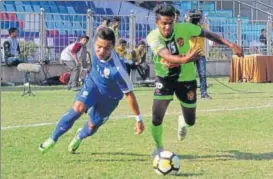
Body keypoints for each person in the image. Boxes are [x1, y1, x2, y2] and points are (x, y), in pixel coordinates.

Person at [146, 4, 243, 155]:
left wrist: (231, 45)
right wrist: (187, 58)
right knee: (157, 117)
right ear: (157, 22)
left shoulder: (185, 28)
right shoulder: (153, 37)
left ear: (174, 20)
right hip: (164, 79)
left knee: (190, 120)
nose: (167, 26)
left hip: (187, 79)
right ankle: (158, 147)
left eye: (170, 22)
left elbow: (208, 34)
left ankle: (182, 122)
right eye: (164, 23)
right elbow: (166, 55)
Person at [39, 28, 144, 154]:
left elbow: (130, 94)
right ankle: (52, 139)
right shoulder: (94, 49)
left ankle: (79, 136)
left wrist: (138, 119)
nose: (101, 51)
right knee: (77, 109)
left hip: (110, 97)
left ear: (112, 47)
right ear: (94, 42)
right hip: (93, 84)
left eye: (106, 48)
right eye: (99, 47)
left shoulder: (118, 70)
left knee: (92, 126)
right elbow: (101, 29)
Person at [185, 9, 212, 99]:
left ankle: (203, 93)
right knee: (189, 74)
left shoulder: (204, 26)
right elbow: (189, 35)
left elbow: (206, 34)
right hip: (191, 54)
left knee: (202, 74)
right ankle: (188, 93)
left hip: (201, 54)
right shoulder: (188, 27)